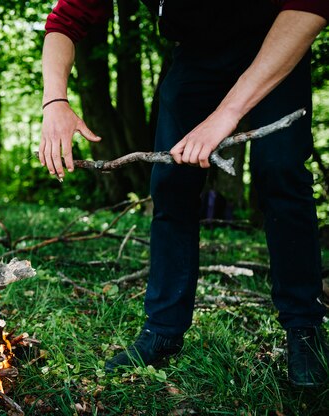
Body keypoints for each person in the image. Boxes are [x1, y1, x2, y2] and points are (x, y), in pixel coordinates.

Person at [40, 0, 329, 387]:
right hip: (196, 54)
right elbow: (65, 20)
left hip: (277, 35)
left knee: (280, 171)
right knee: (170, 184)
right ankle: (163, 330)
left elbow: (310, 6)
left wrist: (225, 115)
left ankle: (304, 330)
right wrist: (54, 100)